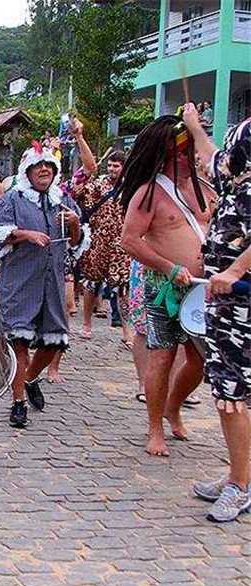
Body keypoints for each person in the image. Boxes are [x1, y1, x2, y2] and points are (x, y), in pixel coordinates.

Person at [119, 115, 213, 457]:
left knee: (201, 360)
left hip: (204, 288)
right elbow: (130, 240)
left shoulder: (206, 189)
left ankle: (173, 405)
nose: (187, 159)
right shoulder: (149, 193)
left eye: (190, 152)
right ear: (163, 156)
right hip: (164, 287)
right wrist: (169, 267)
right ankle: (155, 426)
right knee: (162, 356)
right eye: (180, 154)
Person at [0, 142, 88, 428]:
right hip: (19, 282)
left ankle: (30, 378)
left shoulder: (63, 201)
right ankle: (18, 402)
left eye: (49, 167)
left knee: (55, 342)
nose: (44, 170)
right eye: (38, 166)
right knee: (18, 342)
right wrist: (25, 234)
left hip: (51, 282)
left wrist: (76, 224)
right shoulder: (13, 199)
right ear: (27, 171)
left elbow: (77, 244)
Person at [183, 105, 251, 521]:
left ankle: (241, 486)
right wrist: (193, 128)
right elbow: (212, 159)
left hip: (242, 302)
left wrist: (235, 269)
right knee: (232, 394)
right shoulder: (236, 177)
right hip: (227, 301)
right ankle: (237, 475)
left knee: (233, 395)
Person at [76, 149, 131, 345]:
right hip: (98, 240)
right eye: (110, 165)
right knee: (92, 283)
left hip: (121, 244)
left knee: (124, 287)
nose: (112, 169)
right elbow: (78, 192)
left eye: (116, 165)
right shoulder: (98, 185)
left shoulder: (131, 188)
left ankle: (127, 330)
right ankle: (86, 323)